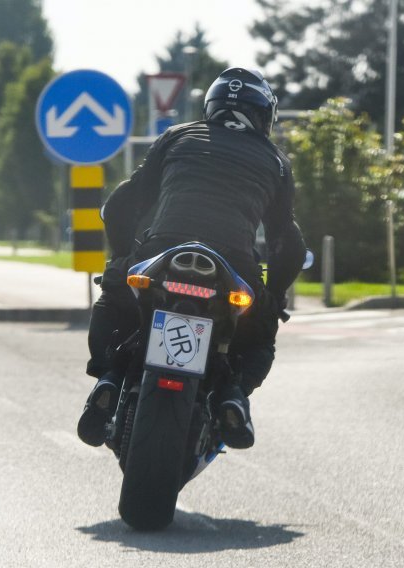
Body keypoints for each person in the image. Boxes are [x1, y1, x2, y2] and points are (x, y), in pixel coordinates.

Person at [77, 67, 306, 450]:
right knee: (260, 333)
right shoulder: (277, 161)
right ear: (265, 115)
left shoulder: (177, 136)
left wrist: (120, 260)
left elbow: (120, 204)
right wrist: (274, 297)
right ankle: (233, 395)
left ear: (210, 106)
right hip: (236, 265)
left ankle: (109, 378)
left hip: (161, 250)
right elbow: (289, 242)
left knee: (114, 299)